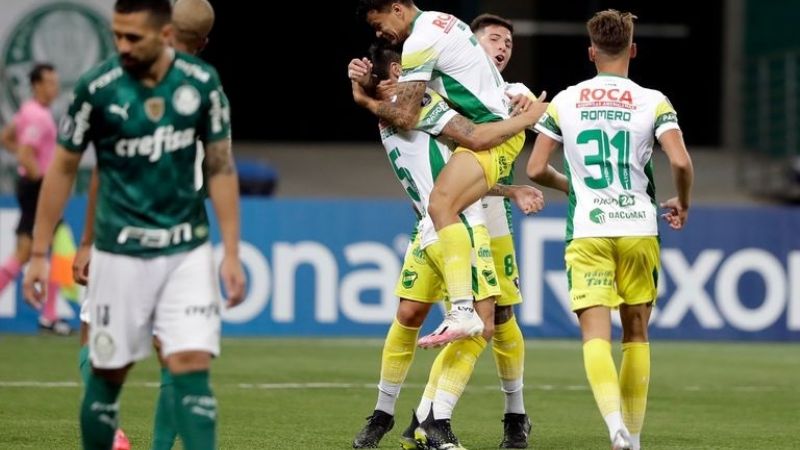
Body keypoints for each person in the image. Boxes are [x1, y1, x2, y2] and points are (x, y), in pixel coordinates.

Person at [23, 1, 245, 449]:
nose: (121, 46)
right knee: (107, 370)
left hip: (184, 247)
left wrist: (232, 252)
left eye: (131, 37)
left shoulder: (203, 87)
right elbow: (72, 169)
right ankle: (111, 438)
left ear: (164, 35)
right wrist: (46, 252)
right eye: (116, 35)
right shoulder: (99, 87)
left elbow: (221, 167)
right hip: (118, 248)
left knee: (189, 368)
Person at [349, 40, 544, 450]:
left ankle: (385, 414)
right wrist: (527, 118)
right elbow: (475, 138)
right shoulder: (415, 105)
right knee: (481, 325)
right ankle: (434, 423)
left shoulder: (392, 112)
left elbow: (455, 171)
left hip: (428, 227)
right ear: (401, 73)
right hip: (461, 226)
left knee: (408, 315)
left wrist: (364, 90)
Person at [526, 9, 693, 450]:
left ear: (591, 52)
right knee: (636, 334)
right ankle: (633, 439)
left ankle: (614, 425)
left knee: (594, 335)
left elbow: (536, 168)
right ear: (632, 50)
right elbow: (679, 161)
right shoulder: (653, 100)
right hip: (639, 226)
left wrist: (575, 187)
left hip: (588, 230)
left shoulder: (564, 100)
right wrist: (683, 201)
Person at [355, 0, 548, 348]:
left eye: (378, 22)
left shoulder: (420, 46)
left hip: (489, 140)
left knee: (491, 318)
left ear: (397, 9)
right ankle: (390, 403)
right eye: (494, 39)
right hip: (484, 149)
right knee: (414, 311)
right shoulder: (444, 24)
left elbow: (410, 114)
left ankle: (462, 315)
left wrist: (365, 100)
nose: (379, 31)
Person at [71, 0, 217, 448]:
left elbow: (103, 169)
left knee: (96, 334)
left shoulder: (131, 83)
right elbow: (216, 174)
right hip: (182, 239)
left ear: (165, 30)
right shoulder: (206, 90)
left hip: (124, 235)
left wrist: (86, 241)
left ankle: (107, 427)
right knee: (177, 355)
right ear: (205, 42)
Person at [0, 63, 67, 334]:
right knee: (42, 248)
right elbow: (26, 152)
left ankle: (49, 316)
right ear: (37, 85)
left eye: (56, 81)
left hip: (29, 186)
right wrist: (42, 180)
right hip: (36, 188)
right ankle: (49, 316)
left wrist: (26, 160)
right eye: (50, 82)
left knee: (44, 248)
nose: (55, 87)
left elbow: (7, 138)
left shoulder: (28, 111)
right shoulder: (38, 116)